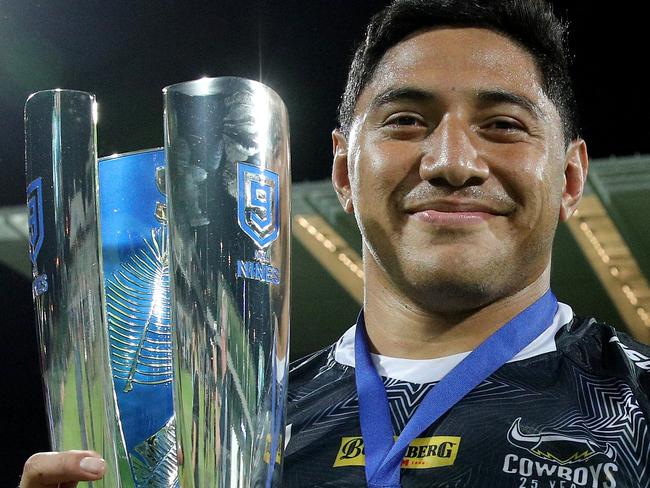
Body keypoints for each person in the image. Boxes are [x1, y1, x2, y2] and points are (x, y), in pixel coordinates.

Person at [20, 0, 650, 487]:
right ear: (345, 173)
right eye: (407, 120)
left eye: (503, 125)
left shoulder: (637, 406)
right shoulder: (219, 440)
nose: (452, 162)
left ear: (569, 179)